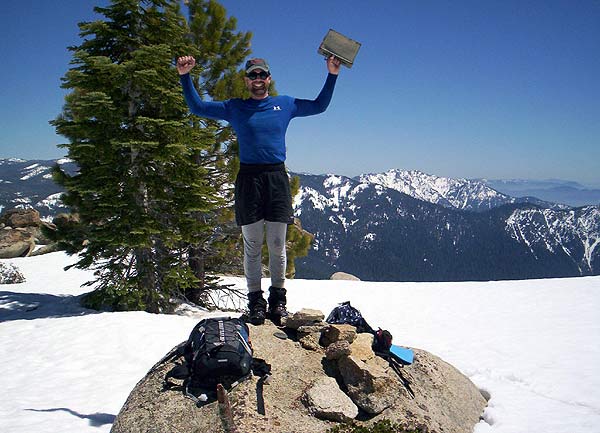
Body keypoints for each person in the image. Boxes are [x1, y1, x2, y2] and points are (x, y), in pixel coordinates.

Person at [177, 53, 341, 325]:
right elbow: (197, 107)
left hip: (276, 177)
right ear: (246, 79)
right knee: (252, 245)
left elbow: (319, 105)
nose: (257, 79)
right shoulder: (235, 107)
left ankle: (278, 301)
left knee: (277, 245)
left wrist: (332, 74)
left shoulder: (284, 105)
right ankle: (255, 302)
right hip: (249, 179)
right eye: (252, 75)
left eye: (261, 74)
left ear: (269, 78)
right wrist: (185, 76)